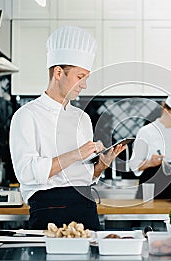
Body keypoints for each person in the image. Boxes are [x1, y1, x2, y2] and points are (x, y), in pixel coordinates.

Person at [9, 25, 125, 230]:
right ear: (59, 73)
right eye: (80, 77)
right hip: (48, 212)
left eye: (86, 78)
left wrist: (101, 166)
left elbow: (84, 175)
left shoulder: (82, 118)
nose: (84, 85)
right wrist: (76, 154)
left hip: (87, 209)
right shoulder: (27, 115)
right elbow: (26, 173)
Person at [129, 95, 171, 199]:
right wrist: (150, 163)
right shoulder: (145, 132)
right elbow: (134, 165)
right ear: (165, 110)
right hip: (149, 191)